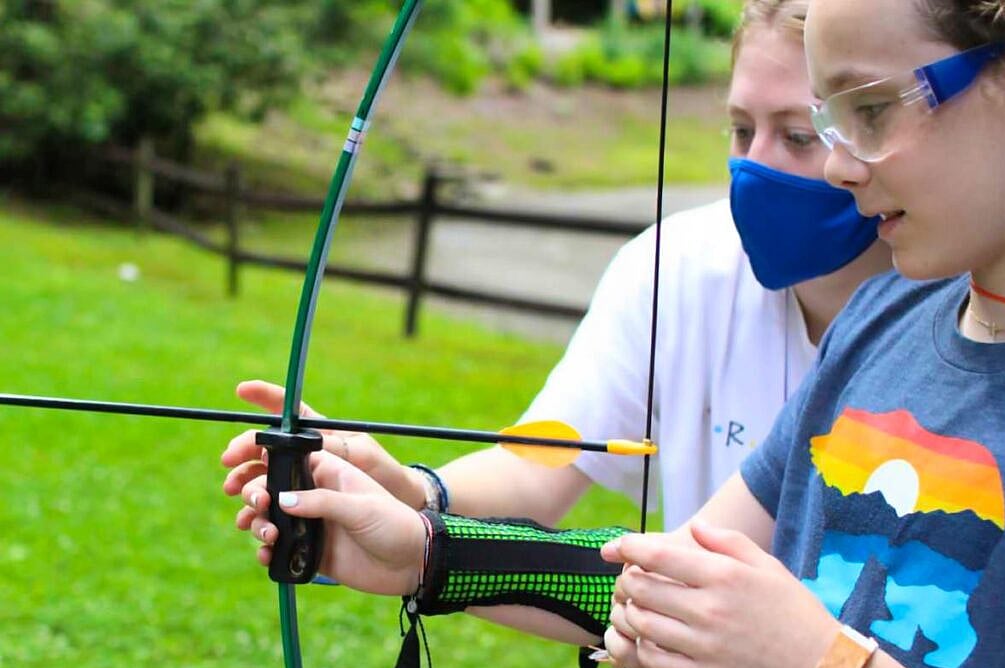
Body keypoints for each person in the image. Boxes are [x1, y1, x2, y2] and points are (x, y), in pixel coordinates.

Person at [227, 0, 1005, 668]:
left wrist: (815, 660)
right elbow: (658, 572)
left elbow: (776, 640)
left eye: (869, 111)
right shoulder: (878, 324)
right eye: (745, 129)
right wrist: (424, 541)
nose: (841, 166)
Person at [223, 0, 893, 541]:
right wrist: (415, 490)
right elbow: (541, 460)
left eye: (800, 135)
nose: (757, 166)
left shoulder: (959, 301)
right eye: (741, 131)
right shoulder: (671, 267)